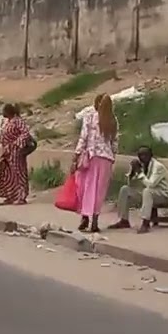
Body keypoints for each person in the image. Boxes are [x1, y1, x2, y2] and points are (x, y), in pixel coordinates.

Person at [70, 93, 119, 233]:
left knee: (85, 188)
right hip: (106, 160)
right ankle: (95, 222)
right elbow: (115, 143)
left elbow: (83, 138)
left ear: (96, 104)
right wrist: (112, 156)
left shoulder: (90, 117)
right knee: (99, 191)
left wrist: (76, 156)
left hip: (90, 158)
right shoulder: (113, 120)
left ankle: (84, 217)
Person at [109, 145, 168, 234]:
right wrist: (132, 174)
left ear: (151, 155)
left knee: (147, 191)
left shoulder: (158, 167)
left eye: (145, 155)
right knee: (125, 189)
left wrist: (139, 173)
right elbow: (131, 185)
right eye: (140, 155)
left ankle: (145, 223)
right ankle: (124, 220)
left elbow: (151, 184)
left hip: (165, 196)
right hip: (148, 195)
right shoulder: (141, 165)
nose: (143, 158)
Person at [0, 103, 31, 205]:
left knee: (19, 173)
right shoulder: (6, 122)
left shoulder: (18, 121)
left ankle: (21, 197)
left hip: (16, 152)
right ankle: (10, 196)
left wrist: (17, 144)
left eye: (4, 111)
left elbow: (25, 133)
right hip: (7, 152)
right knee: (8, 174)